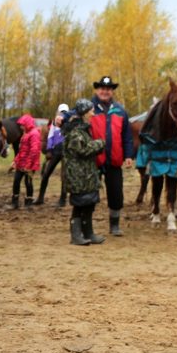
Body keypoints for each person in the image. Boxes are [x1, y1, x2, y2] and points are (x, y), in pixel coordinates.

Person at [90, 75, 135, 236]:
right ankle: (86, 225)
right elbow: (71, 116)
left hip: (115, 159)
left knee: (116, 193)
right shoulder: (89, 108)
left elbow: (127, 136)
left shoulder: (120, 110)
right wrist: (60, 119)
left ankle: (114, 225)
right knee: (88, 193)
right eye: (102, 88)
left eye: (108, 89)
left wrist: (129, 155)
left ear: (112, 91)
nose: (105, 91)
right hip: (93, 159)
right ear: (97, 90)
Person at [61, 99, 106, 245]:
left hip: (86, 175)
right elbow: (82, 150)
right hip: (78, 176)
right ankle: (76, 236)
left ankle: (89, 233)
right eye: (91, 111)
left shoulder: (83, 129)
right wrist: (100, 143)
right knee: (79, 205)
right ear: (84, 113)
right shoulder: (75, 131)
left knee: (89, 204)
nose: (93, 113)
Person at [34, 103, 69, 206]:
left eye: (64, 112)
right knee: (46, 173)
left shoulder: (70, 122)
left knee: (64, 176)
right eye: (61, 112)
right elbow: (50, 136)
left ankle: (62, 200)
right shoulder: (54, 122)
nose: (62, 114)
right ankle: (40, 198)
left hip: (66, 151)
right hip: (56, 150)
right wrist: (49, 150)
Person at [9, 114, 40, 208]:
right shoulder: (26, 133)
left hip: (29, 165)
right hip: (21, 163)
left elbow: (34, 151)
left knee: (28, 182)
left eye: (22, 125)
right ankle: (15, 202)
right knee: (16, 181)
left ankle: (29, 201)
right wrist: (15, 161)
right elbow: (21, 150)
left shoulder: (34, 134)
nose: (21, 127)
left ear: (27, 124)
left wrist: (28, 165)